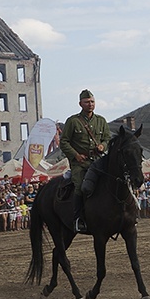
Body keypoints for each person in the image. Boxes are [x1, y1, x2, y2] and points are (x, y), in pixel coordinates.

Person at [60, 89, 111, 233]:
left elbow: (107, 138)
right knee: (80, 186)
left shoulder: (101, 120)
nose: (90, 104)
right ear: (80, 104)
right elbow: (63, 142)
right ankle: (78, 218)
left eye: (92, 101)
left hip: (98, 160)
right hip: (80, 163)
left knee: (115, 179)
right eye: (87, 102)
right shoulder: (73, 121)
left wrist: (103, 145)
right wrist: (75, 155)